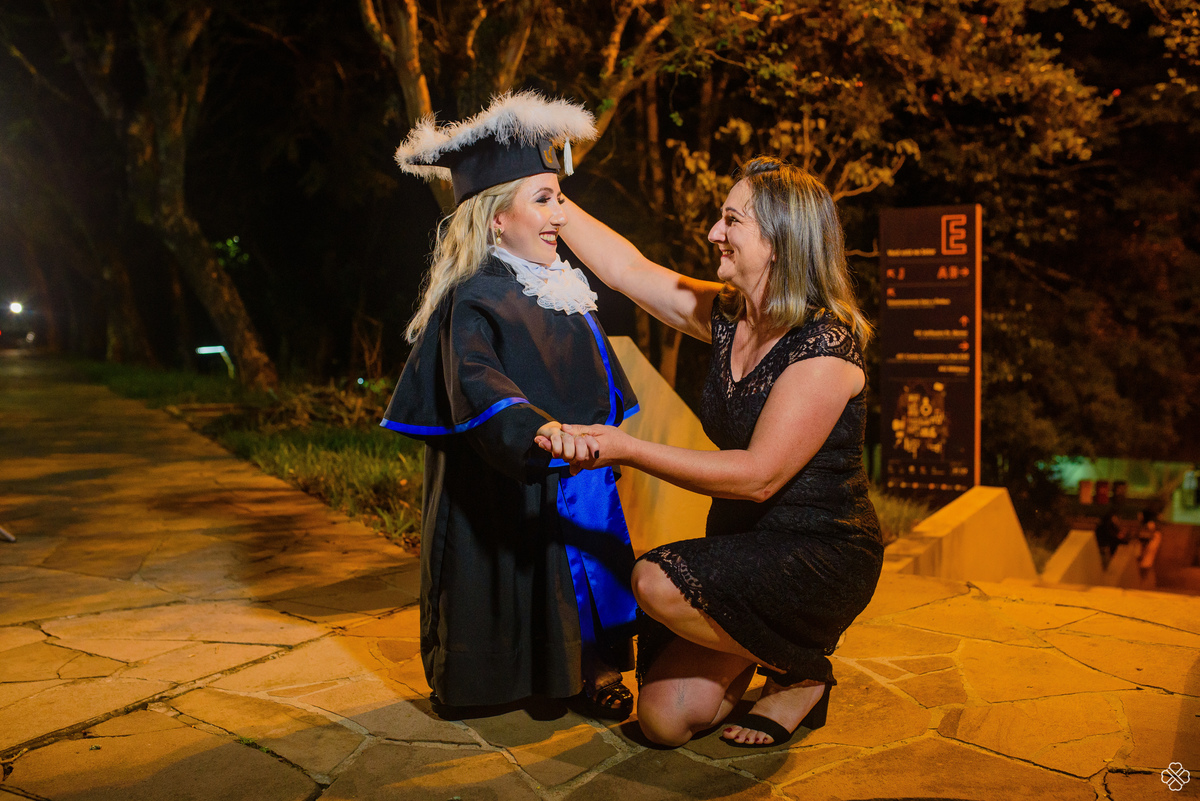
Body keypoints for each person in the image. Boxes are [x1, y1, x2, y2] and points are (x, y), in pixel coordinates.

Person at [537, 157, 883, 748]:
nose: (713, 233)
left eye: (731, 221)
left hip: (818, 552)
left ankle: (801, 671)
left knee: (652, 580)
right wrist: (550, 200)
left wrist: (625, 447)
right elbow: (625, 269)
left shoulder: (825, 346)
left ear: (779, 243)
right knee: (664, 721)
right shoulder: (729, 315)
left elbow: (757, 477)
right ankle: (769, 653)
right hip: (742, 547)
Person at [380, 92, 640, 719]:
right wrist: (537, 430)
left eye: (559, 196)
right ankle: (504, 678)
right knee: (511, 573)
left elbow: (597, 375)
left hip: (577, 476)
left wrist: (598, 437)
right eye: (544, 200)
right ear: (497, 218)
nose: (561, 215)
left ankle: (592, 669)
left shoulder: (560, 287)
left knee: (581, 573)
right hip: (507, 472)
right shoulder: (473, 296)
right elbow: (475, 379)